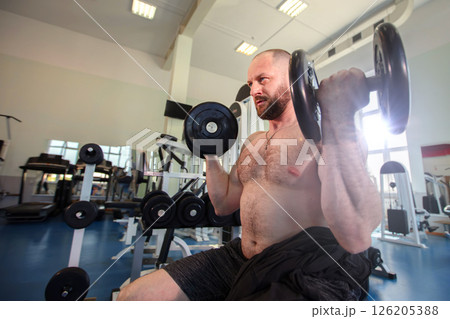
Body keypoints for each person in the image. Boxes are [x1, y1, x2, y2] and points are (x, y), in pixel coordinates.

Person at [117, 49, 382, 301]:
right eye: (250, 82)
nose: (254, 90)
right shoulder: (253, 142)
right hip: (242, 258)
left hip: (302, 267)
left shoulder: (325, 135)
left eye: (263, 79)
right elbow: (223, 204)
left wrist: (341, 117)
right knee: (133, 297)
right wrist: (210, 153)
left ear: (294, 80)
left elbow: (356, 234)